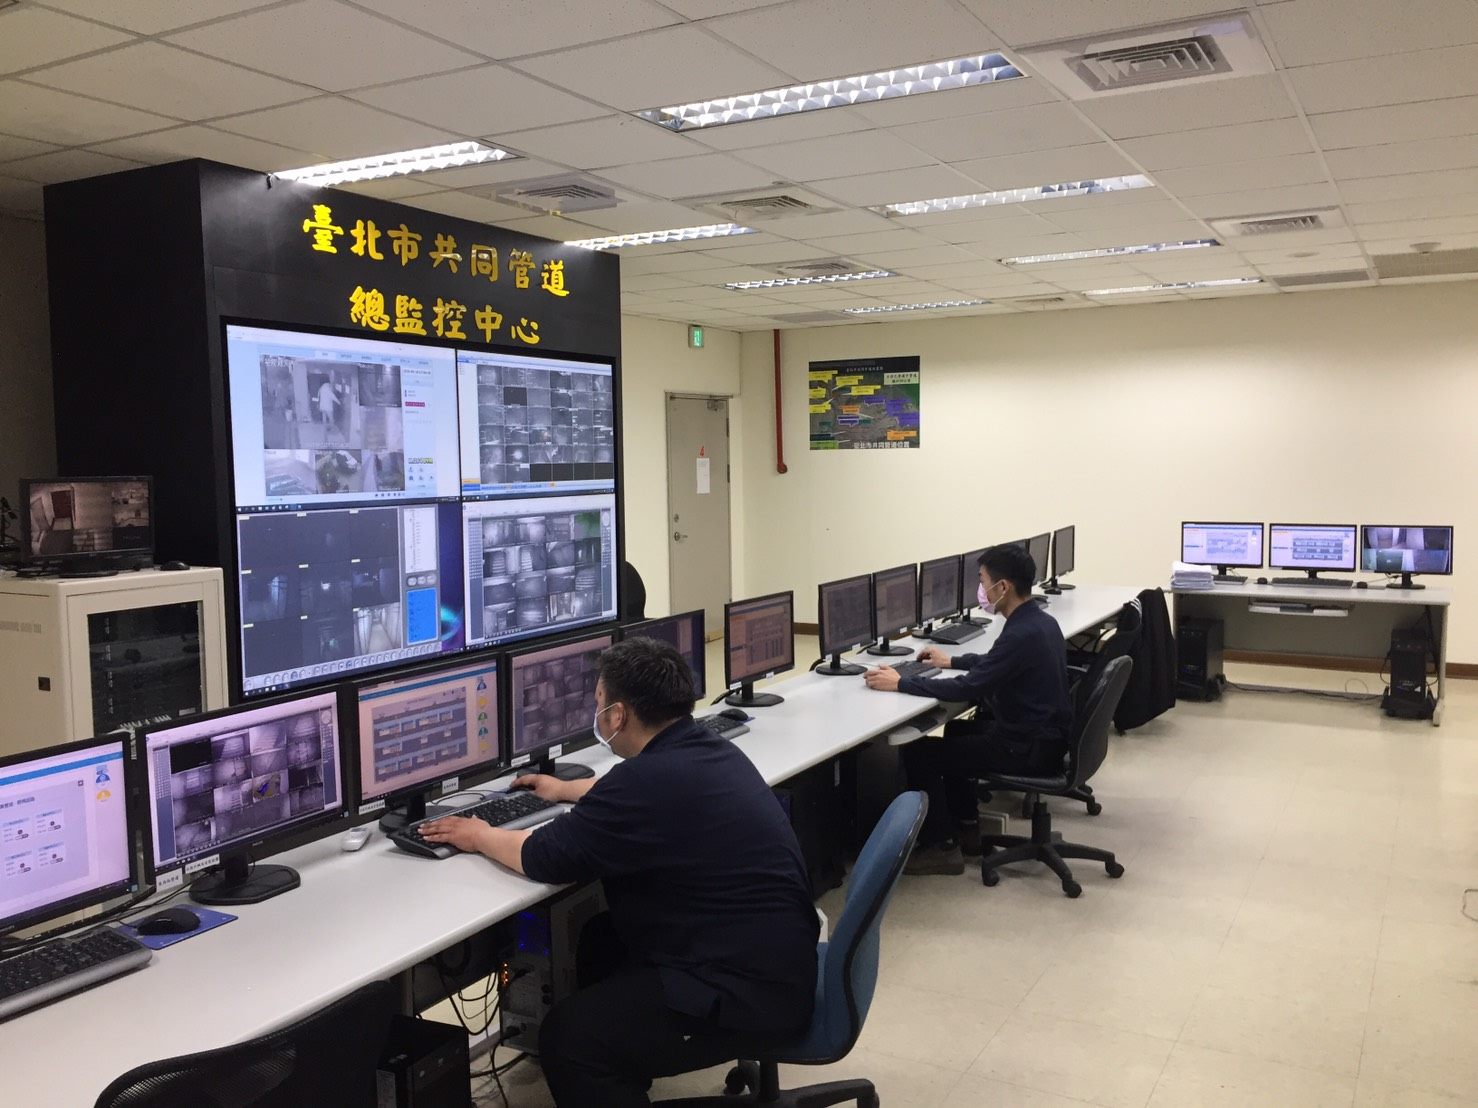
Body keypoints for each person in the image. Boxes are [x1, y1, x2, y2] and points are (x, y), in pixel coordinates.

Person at [418, 638, 819, 1108]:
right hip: (773, 961)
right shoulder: (706, 748)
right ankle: (626, 1070)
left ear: (618, 715)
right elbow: (640, 792)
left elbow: (541, 856)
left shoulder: (645, 781)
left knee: (568, 1038)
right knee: (600, 939)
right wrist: (566, 790)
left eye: (599, 702)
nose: (597, 713)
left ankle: (606, 1065)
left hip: (750, 997)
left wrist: (478, 834)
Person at [863, 543, 1072, 875]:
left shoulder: (1021, 632)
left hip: (1026, 748)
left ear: (1003, 587)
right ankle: (967, 828)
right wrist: (951, 661)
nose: (981, 589)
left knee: (920, 753)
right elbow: (996, 662)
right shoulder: (1039, 622)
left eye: (983, 580)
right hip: (1044, 738)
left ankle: (941, 847)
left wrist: (901, 683)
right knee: (958, 730)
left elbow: (968, 687)